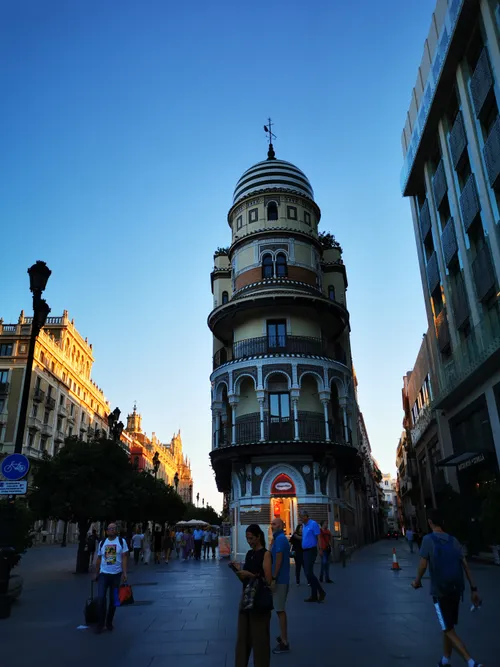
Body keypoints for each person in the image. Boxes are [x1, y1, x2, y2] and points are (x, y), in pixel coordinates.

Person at [411, 509, 483, 667]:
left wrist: (417, 581)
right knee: (447, 625)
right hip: (456, 590)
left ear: (430, 522)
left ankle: (471, 662)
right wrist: (474, 589)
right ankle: (445, 660)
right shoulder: (454, 540)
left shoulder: (428, 540)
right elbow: (465, 566)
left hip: (440, 592)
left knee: (447, 629)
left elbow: (423, 564)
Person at [231, 524, 272, 667]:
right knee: (243, 638)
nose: (250, 541)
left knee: (260, 639)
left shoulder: (265, 554)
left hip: (259, 601)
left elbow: (267, 580)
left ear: (258, 536)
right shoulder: (249, 554)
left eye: (251, 538)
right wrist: (239, 572)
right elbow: (245, 579)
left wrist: (250, 575)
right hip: (247, 598)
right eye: (247, 539)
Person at [94, 522, 129, 633]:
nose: (112, 530)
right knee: (101, 598)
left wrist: (124, 573)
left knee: (114, 600)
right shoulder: (102, 542)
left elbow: (124, 558)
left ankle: (109, 622)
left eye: (114, 528)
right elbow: (99, 558)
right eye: (110, 528)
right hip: (104, 574)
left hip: (116, 576)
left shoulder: (121, 542)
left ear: (116, 530)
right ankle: (100, 623)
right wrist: (97, 573)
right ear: (107, 531)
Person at [270, 518, 290, 654]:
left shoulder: (281, 539)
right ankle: (282, 637)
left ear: (282, 526)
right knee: (279, 609)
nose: (272, 526)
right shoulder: (277, 539)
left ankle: (284, 641)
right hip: (280, 579)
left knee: (280, 610)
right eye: (271, 524)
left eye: (275, 524)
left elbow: (278, 561)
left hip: (280, 580)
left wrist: (274, 578)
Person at [299, 510, 326, 603]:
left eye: (302, 517)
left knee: (308, 572)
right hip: (305, 551)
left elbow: (318, 537)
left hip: (311, 550)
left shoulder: (313, 524)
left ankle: (321, 591)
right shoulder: (304, 526)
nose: (300, 518)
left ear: (306, 516)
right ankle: (314, 595)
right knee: (308, 573)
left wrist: (320, 548)